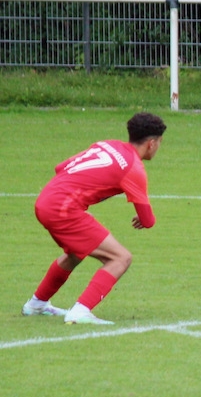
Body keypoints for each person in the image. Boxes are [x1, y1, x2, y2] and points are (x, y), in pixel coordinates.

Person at [23, 112, 167, 325]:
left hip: (46, 200)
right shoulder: (134, 168)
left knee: (75, 253)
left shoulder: (107, 145)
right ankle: (80, 311)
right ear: (152, 143)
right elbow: (148, 221)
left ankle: (37, 304)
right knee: (120, 258)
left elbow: (61, 167)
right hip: (63, 209)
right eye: (160, 142)